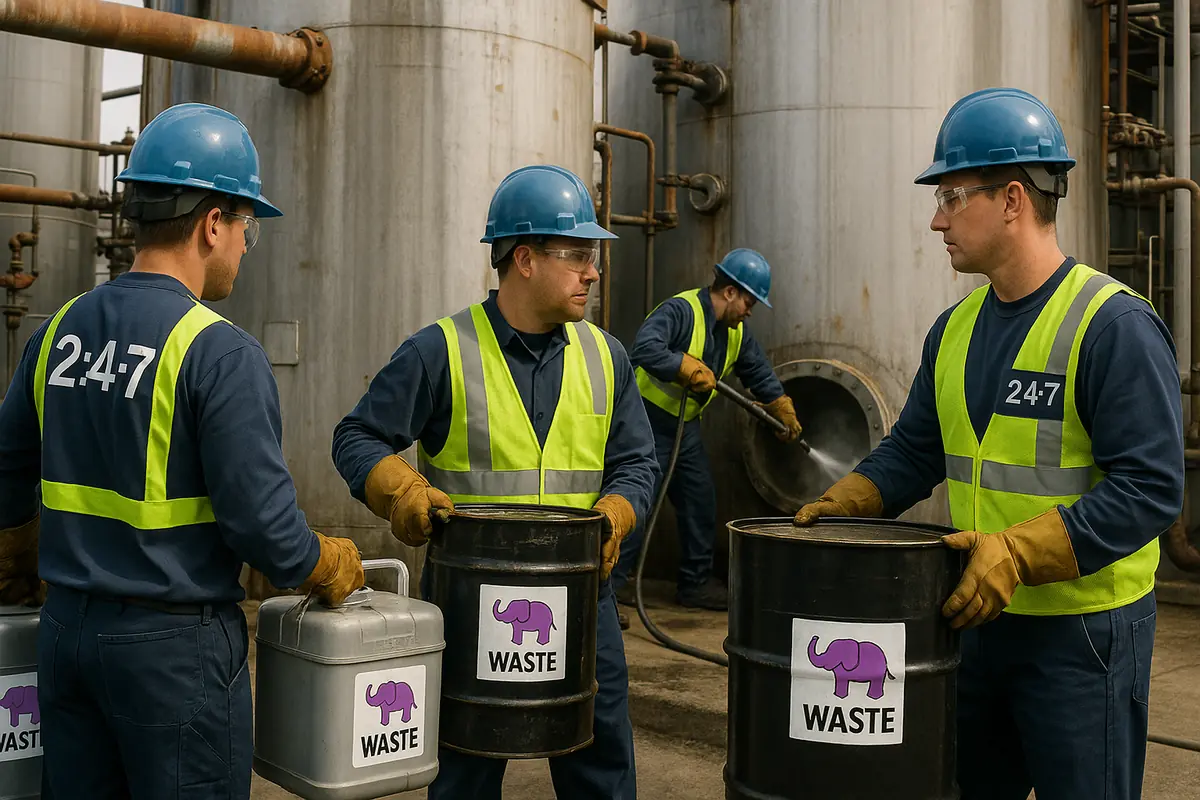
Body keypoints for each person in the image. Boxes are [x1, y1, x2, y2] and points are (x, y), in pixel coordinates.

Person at [793, 87, 1183, 800]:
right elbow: (917, 450)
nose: (936, 219)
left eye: (951, 196)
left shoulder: (1111, 326)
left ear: (1011, 199)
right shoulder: (955, 328)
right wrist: (848, 502)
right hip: (976, 623)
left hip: (1083, 636)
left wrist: (1017, 550)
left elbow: (1152, 488)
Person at [0, 103, 364, 799]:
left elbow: (5, 479)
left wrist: (23, 563)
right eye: (246, 225)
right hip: (173, 655)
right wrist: (328, 562)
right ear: (212, 223)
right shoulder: (219, 351)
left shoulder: (55, 333)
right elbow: (265, 530)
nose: (246, 245)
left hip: (66, 636)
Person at [331, 163, 659, 799]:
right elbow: (356, 438)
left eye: (594, 255)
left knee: (601, 771)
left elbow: (637, 461)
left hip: (583, 604)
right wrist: (402, 491)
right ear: (525, 258)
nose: (593, 270)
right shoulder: (441, 350)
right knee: (464, 776)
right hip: (471, 609)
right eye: (578, 254)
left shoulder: (607, 356)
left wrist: (619, 511)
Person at [611, 248, 803, 614]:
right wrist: (682, 366)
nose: (750, 310)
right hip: (646, 424)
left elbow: (757, 371)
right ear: (729, 292)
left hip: (685, 428)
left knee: (700, 501)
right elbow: (644, 348)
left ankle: (695, 584)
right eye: (749, 301)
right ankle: (611, 590)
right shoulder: (681, 311)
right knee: (639, 504)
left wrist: (780, 404)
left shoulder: (735, 332)